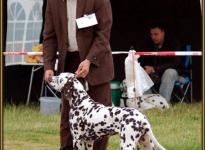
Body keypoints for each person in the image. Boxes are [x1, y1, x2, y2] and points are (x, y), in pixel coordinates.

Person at [43, 0, 114, 150]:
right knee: (68, 117)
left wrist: (89, 60)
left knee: (102, 117)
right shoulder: (53, 2)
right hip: (68, 63)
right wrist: (48, 66)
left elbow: (104, 32)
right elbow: (49, 36)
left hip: (96, 61)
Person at [139, 22, 184, 103]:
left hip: (175, 76)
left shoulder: (173, 43)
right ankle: (150, 104)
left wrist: (154, 69)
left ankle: (163, 105)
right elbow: (143, 61)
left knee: (169, 72)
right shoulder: (149, 44)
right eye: (151, 34)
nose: (153, 37)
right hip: (155, 76)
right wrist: (144, 69)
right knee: (140, 74)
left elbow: (175, 63)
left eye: (156, 34)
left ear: (163, 33)